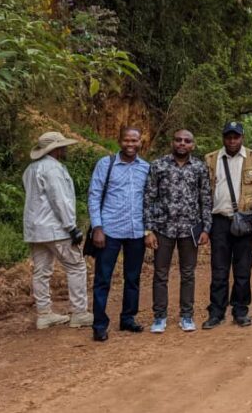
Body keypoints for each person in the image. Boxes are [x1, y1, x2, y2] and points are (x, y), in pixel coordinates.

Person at [202, 122, 252, 329]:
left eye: (236, 137)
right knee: (219, 269)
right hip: (220, 221)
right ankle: (216, 312)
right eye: (228, 137)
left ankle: (240, 311)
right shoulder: (210, 159)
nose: (232, 140)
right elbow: (204, 192)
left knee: (243, 269)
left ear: (242, 137)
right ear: (223, 138)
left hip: (246, 220)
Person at [143, 129, 212, 333]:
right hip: (163, 228)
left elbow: (205, 199)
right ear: (172, 142)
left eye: (187, 141)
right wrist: (148, 230)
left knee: (188, 273)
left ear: (193, 145)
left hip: (190, 229)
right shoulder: (158, 165)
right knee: (160, 273)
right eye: (178, 140)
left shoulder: (199, 167)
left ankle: (187, 316)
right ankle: (159, 317)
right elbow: (148, 198)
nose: (182, 143)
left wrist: (206, 228)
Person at [23, 131, 92, 330]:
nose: (65, 149)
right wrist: (71, 226)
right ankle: (79, 312)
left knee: (41, 271)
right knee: (76, 266)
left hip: (35, 229)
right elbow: (60, 200)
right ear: (56, 149)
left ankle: (44, 313)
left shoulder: (30, 169)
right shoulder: (54, 169)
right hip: (56, 228)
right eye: (62, 146)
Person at [88, 127, 150, 342]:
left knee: (132, 278)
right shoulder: (106, 164)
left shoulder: (146, 168)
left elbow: (149, 200)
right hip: (110, 230)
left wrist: (148, 230)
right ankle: (99, 324)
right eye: (126, 140)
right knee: (103, 278)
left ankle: (128, 318)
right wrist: (97, 227)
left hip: (136, 231)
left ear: (141, 142)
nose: (130, 144)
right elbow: (94, 195)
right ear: (119, 141)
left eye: (134, 140)